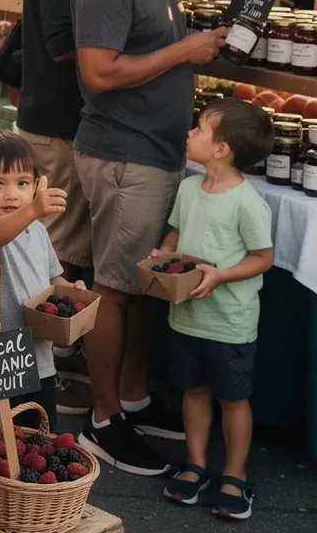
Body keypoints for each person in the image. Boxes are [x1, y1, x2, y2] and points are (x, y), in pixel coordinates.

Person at [72, 0, 225, 475]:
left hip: (154, 154)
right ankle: (102, 419)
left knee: (141, 289)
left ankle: (131, 397)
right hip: (122, 156)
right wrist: (186, 51)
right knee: (115, 288)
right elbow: (100, 74)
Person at [18, 0, 155, 414]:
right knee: (55, 256)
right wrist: (127, 53)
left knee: (63, 253)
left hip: (61, 122)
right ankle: (39, 377)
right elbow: (60, 44)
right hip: (55, 126)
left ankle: (59, 361)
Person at [152, 100, 274, 520]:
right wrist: (163, 257)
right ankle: (197, 464)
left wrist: (220, 276)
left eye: (200, 128)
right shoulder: (189, 187)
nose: (190, 132)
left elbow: (263, 256)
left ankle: (235, 474)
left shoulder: (247, 202)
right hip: (187, 315)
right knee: (194, 390)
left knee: (234, 398)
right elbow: (175, 232)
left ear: (221, 149)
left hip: (230, 324)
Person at [0, 130, 87, 431]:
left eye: (22, 183)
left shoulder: (39, 232)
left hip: (37, 356)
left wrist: (74, 292)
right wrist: (33, 210)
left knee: (38, 433)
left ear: (35, 185)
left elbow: (55, 279)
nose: (12, 194)